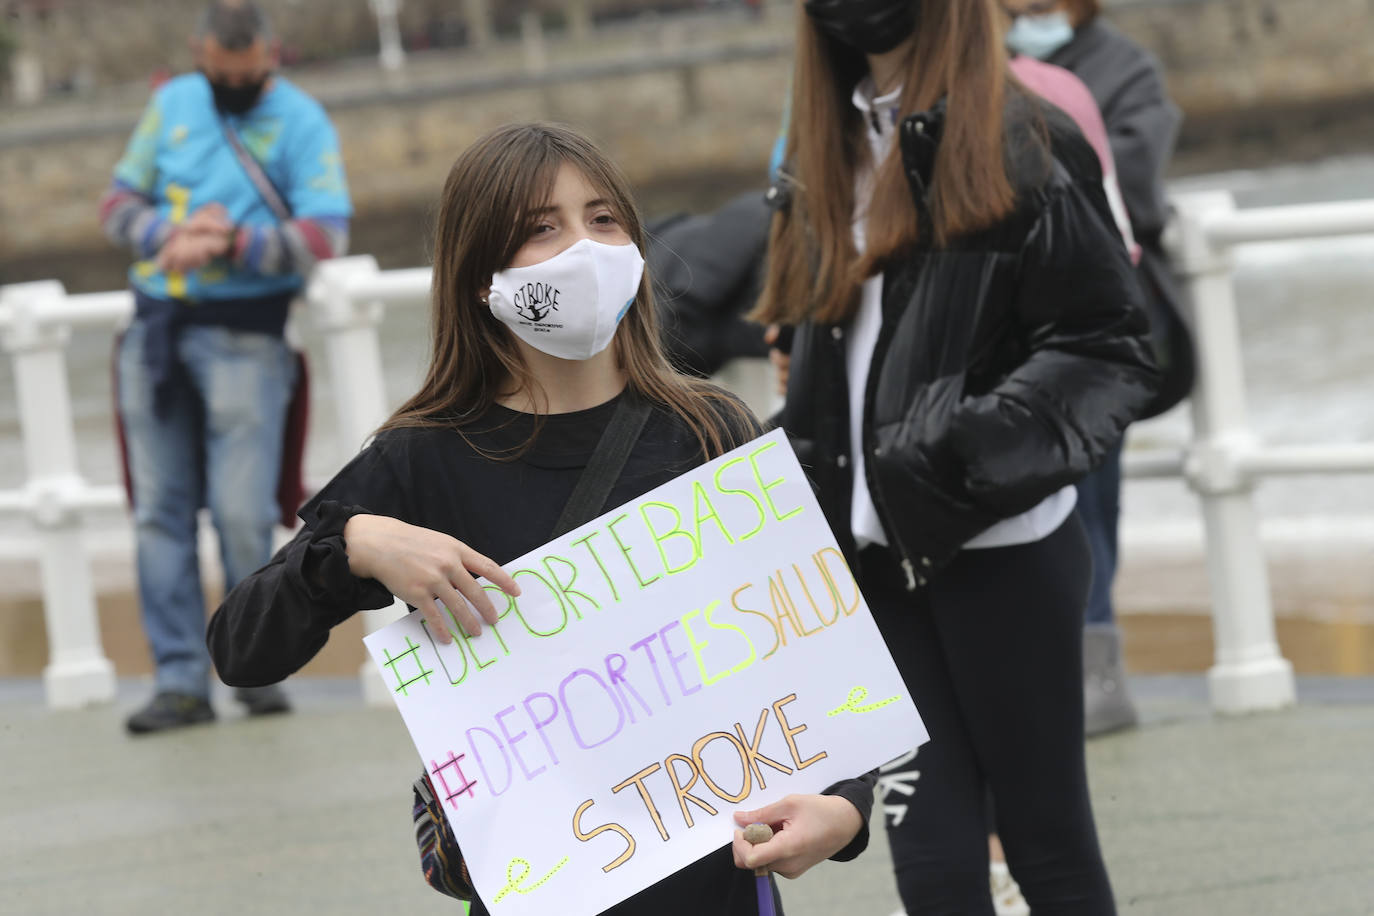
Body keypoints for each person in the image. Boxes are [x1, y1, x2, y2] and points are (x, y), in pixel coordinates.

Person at [205, 122, 874, 915]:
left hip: (716, 882)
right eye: (541, 229)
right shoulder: (420, 459)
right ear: (479, 276)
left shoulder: (711, 430)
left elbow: (815, 659)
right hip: (540, 885)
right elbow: (241, 649)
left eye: (603, 219)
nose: (583, 249)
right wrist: (353, 543)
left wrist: (847, 807)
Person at [755, 1, 1160, 914]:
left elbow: (1109, 343)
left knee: (1046, 840)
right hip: (873, 558)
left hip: (1002, 543)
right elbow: (832, 350)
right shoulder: (827, 147)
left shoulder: (1027, 138)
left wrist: (954, 453)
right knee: (930, 859)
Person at [99, 0, 351, 734]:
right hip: (155, 334)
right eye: (221, 77)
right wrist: (167, 233)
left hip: (247, 336)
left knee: (243, 516)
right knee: (158, 518)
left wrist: (227, 244)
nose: (233, 87)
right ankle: (179, 681)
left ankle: (254, 669)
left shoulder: (302, 122)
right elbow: (116, 203)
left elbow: (324, 231)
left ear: (272, 57)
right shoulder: (173, 102)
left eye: (247, 78)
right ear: (199, 54)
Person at [1005, 0, 1193, 736]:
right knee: (1072, 501)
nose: (1026, 9)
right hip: (1054, 321)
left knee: (1092, 498)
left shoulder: (1114, 70)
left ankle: (1092, 670)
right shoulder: (1073, 86)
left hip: (1093, 321)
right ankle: (1080, 669)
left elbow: (1133, 188)